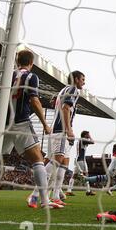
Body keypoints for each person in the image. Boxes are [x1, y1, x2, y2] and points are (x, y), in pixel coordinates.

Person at [2, 50, 60, 209]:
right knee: (38, 160)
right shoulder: (31, 77)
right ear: (31, 63)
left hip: (2, 123)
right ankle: (44, 201)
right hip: (21, 122)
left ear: (16, 61)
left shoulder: (7, 75)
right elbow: (34, 100)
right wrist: (45, 124)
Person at [28, 70, 85, 207]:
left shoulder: (63, 90)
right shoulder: (73, 89)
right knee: (56, 161)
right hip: (61, 130)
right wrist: (69, 129)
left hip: (57, 129)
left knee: (60, 162)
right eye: (83, 79)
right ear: (76, 79)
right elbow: (65, 109)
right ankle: (35, 196)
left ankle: (51, 196)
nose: (84, 82)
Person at [66, 130, 95, 196]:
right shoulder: (83, 140)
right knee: (85, 175)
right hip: (81, 160)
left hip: (79, 159)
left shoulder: (81, 140)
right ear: (85, 135)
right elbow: (93, 142)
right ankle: (88, 191)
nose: (89, 135)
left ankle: (69, 190)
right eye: (88, 134)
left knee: (74, 175)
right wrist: (90, 137)